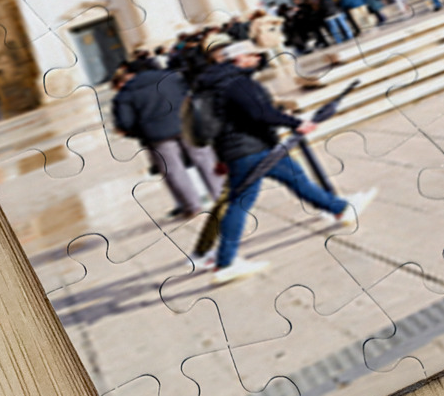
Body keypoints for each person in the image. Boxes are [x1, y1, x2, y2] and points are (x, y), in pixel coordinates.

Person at [194, 40, 376, 283]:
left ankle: (340, 209)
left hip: (244, 149)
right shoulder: (237, 83)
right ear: (238, 59)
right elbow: (259, 113)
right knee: (241, 203)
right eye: (252, 55)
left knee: (295, 180)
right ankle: (225, 263)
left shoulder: (217, 84)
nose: (258, 58)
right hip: (252, 149)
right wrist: (296, 123)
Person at [112, 60, 223, 219]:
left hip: (157, 135)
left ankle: (192, 206)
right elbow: (189, 96)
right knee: (205, 160)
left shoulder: (125, 93)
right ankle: (220, 195)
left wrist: (143, 132)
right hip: (186, 124)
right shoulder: (172, 78)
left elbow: (125, 123)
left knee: (173, 170)